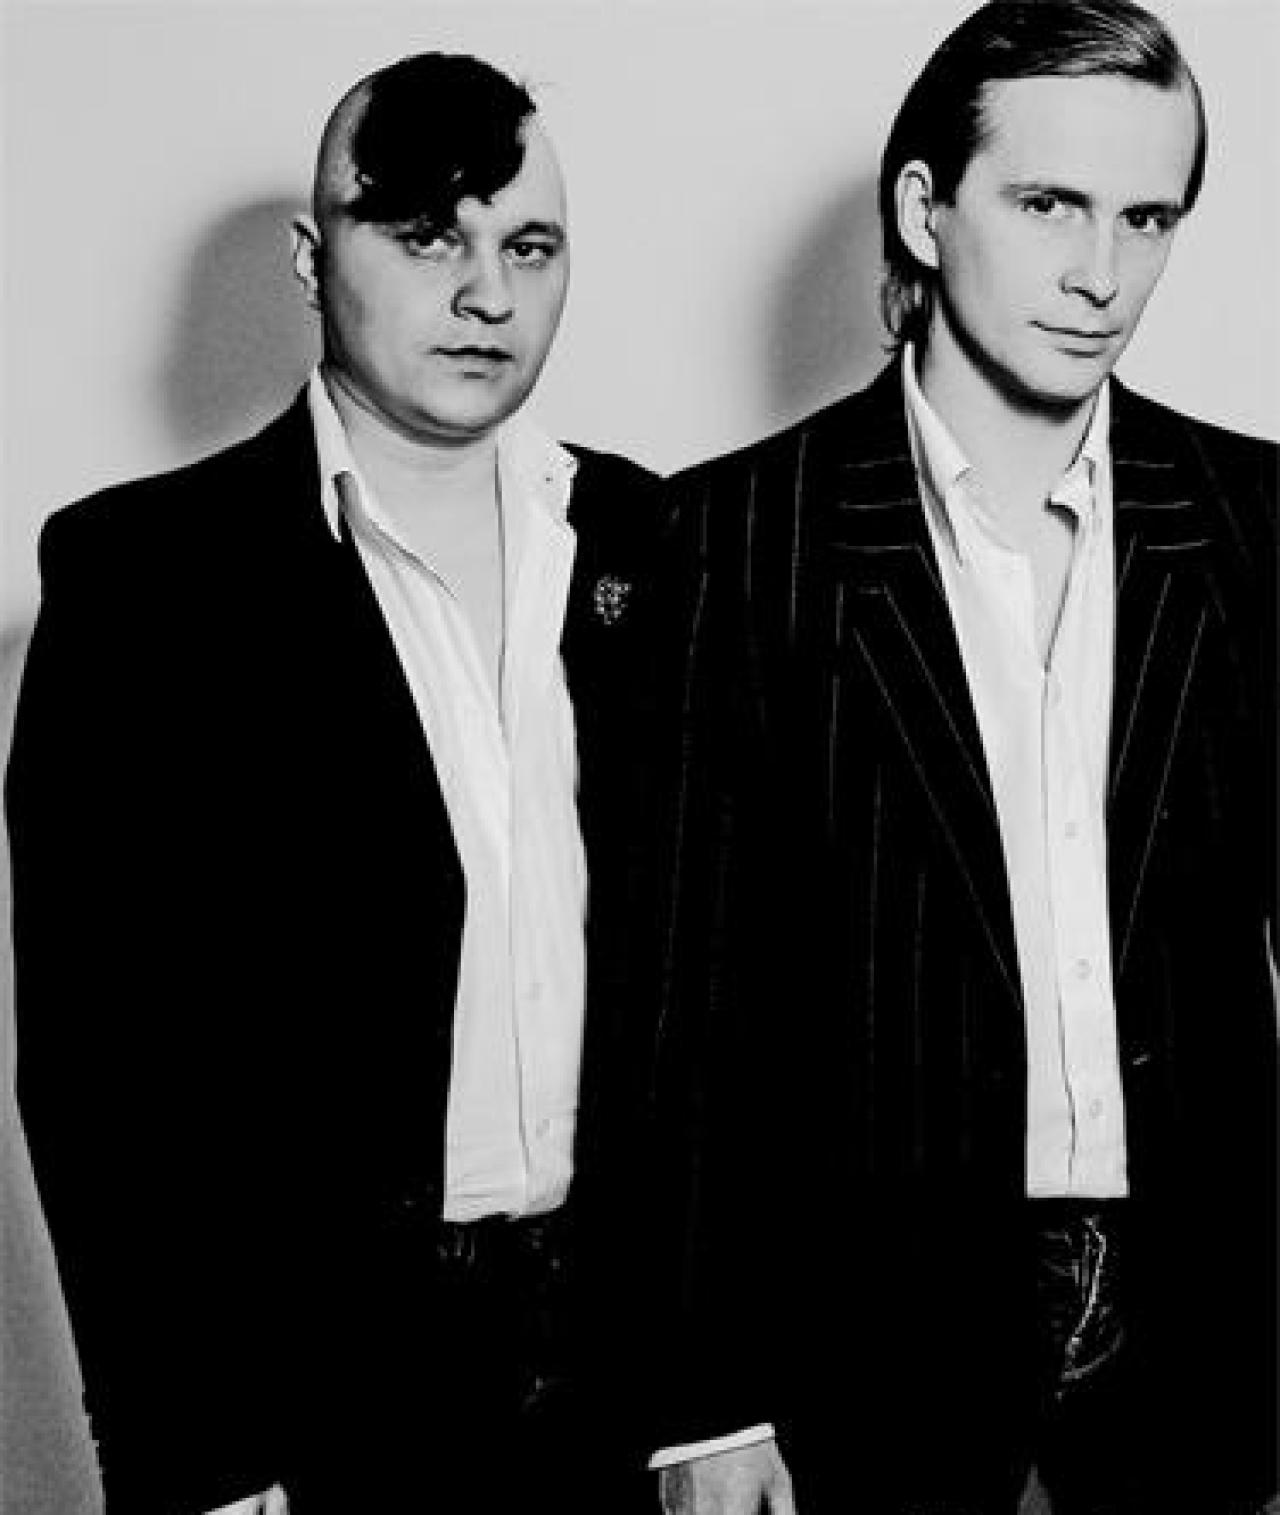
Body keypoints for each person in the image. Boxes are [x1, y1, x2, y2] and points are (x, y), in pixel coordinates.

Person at [6, 51, 662, 1515]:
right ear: (314, 260)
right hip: (318, 1393)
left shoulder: (648, 539)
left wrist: (716, 1399)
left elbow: (725, 997)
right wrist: (195, 1453)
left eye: (529, 247)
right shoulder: (144, 579)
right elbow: (101, 1062)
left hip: (624, 1373)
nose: (486, 293)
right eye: (427, 237)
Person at [649, 2, 1277, 1511]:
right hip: (867, 1336)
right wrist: (704, 1405)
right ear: (924, 209)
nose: (1101, 272)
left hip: (1211, 1337)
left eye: (1146, 218)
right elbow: (682, 1006)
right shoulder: (733, 538)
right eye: (1049, 204)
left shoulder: (1257, 520)